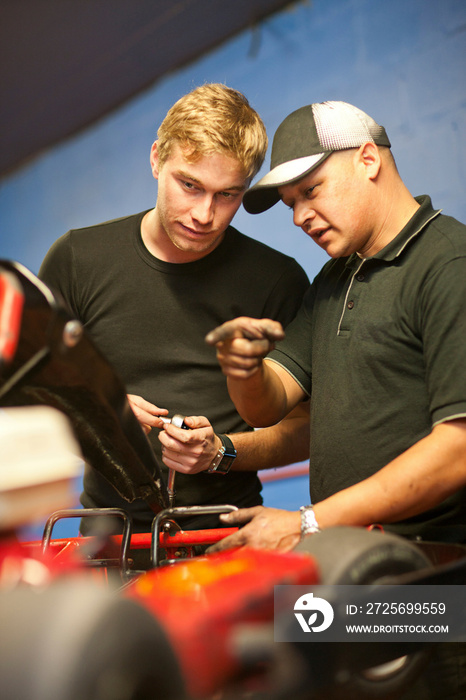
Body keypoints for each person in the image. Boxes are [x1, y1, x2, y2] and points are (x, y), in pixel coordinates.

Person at [39, 84, 310, 533]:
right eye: (189, 185)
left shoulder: (278, 279)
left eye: (228, 195)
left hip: (229, 532)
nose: (205, 214)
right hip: (108, 539)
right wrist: (93, 414)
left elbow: (306, 429)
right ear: (155, 160)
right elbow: (28, 397)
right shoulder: (76, 259)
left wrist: (222, 451)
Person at [205, 100, 466, 552]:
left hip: (433, 564)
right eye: (291, 203)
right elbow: (267, 407)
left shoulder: (449, 263)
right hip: (351, 553)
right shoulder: (333, 280)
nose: (299, 217)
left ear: (368, 160)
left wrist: (308, 522)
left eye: (312, 190)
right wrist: (242, 368)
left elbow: (459, 449)